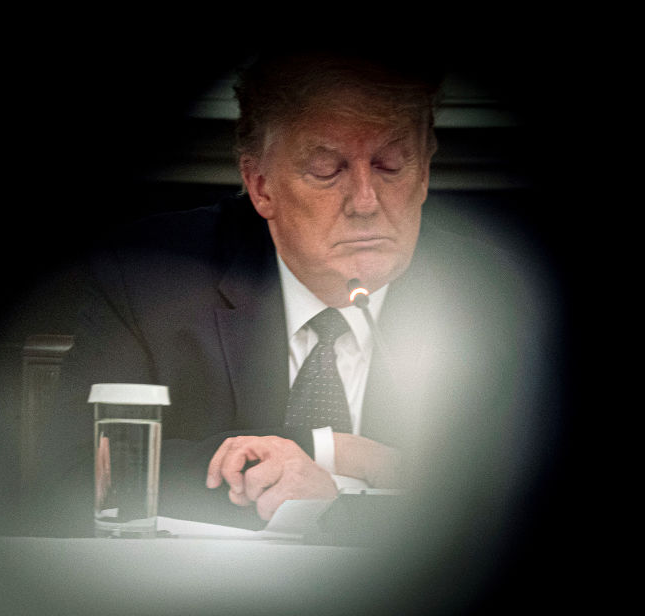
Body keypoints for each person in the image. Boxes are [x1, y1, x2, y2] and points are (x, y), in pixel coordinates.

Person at [30, 45, 550, 539]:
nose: (366, 201)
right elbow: (71, 474)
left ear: (424, 173)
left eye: (392, 165)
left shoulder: (495, 294)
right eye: (328, 170)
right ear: (260, 186)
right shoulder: (151, 277)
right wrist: (332, 452)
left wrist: (339, 498)